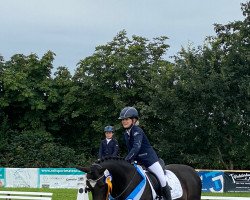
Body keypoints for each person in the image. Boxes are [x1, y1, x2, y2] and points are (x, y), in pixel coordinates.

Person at [118, 106, 172, 200]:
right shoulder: (126, 134)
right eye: (122, 119)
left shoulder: (137, 131)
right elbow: (130, 150)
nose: (124, 121)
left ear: (134, 120)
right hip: (138, 162)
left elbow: (136, 147)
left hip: (149, 160)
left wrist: (126, 160)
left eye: (126, 119)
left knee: (162, 180)